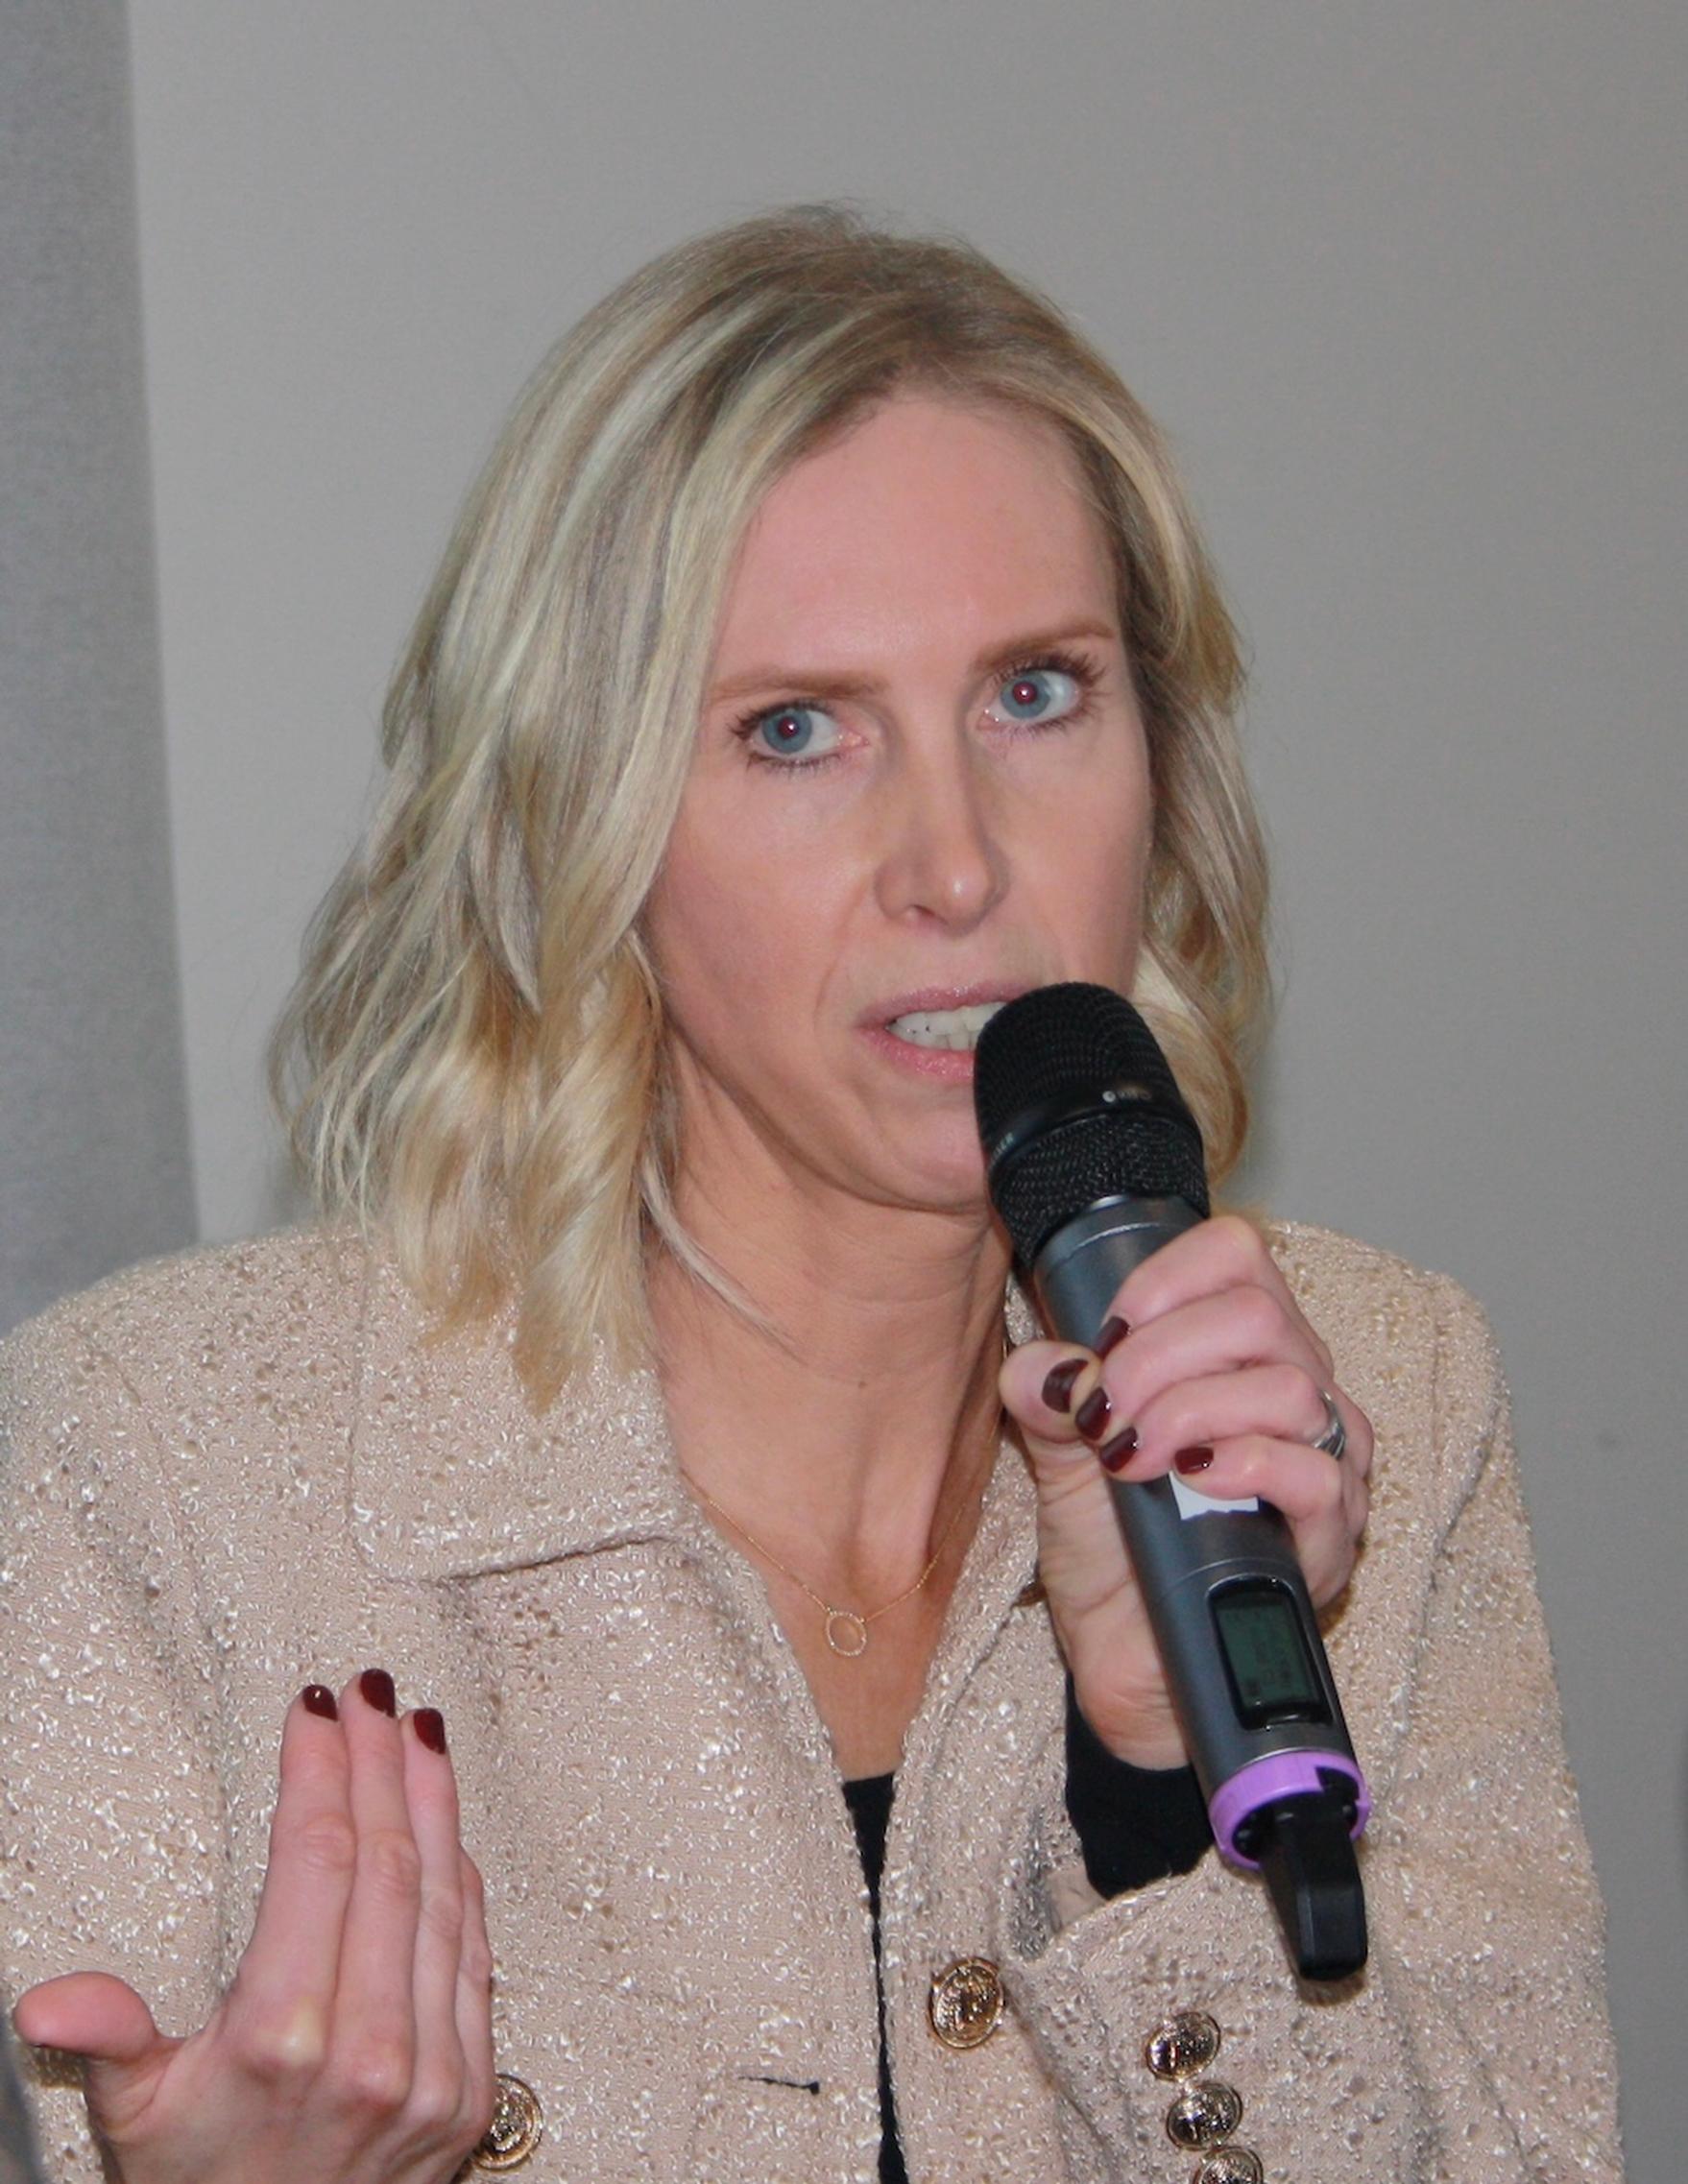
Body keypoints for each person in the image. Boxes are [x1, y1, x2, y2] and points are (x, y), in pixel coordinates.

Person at [0, 206, 1620, 2183]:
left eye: (1037, 693)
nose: (956, 863)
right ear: (580, 816)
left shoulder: (1376, 1398)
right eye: (795, 730)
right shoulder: (157, 1465)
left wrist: (1155, 1793)